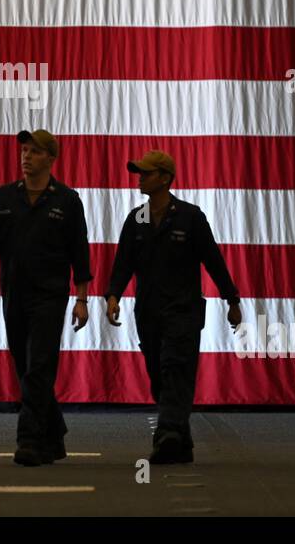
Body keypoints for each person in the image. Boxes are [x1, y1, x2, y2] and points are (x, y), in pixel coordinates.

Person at [104, 150, 242, 464]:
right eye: (140, 172)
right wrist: (113, 296)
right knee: (159, 375)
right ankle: (182, 439)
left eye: (147, 172)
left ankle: (166, 433)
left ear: (165, 178)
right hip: (148, 312)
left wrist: (231, 300)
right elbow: (123, 263)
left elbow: (213, 262)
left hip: (183, 312)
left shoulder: (191, 217)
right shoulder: (136, 219)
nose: (140, 177)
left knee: (174, 369)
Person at [0, 129, 92, 466]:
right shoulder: (4, 198)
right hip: (14, 294)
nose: (26, 156)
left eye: (34, 152)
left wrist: (82, 299)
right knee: (26, 369)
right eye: (24, 150)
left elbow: (79, 252)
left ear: (51, 158)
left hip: (50, 296)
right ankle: (54, 434)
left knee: (39, 366)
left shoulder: (67, 200)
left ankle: (29, 441)